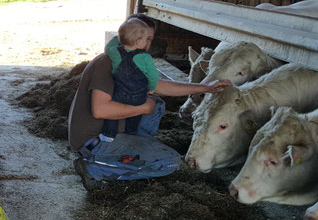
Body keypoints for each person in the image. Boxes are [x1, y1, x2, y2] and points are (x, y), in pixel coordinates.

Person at [68, 13, 231, 191]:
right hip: (94, 142)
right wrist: (143, 107)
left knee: (156, 104)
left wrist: (205, 87)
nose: (148, 44)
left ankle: (136, 150)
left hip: (113, 131)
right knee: (170, 162)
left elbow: (159, 86)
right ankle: (94, 167)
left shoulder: (128, 59)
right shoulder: (107, 63)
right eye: (147, 39)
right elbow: (100, 110)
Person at [103, 17, 158, 138]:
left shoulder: (116, 53)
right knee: (139, 113)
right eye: (145, 39)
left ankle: (108, 135)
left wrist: (122, 38)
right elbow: (154, 75)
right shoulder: (145, 57)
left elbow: (108, 48)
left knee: (113, 113)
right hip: (139, 95)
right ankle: (132, 133)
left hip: (120, 93)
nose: (147, 43)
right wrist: (151, 88)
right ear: (139, 41)